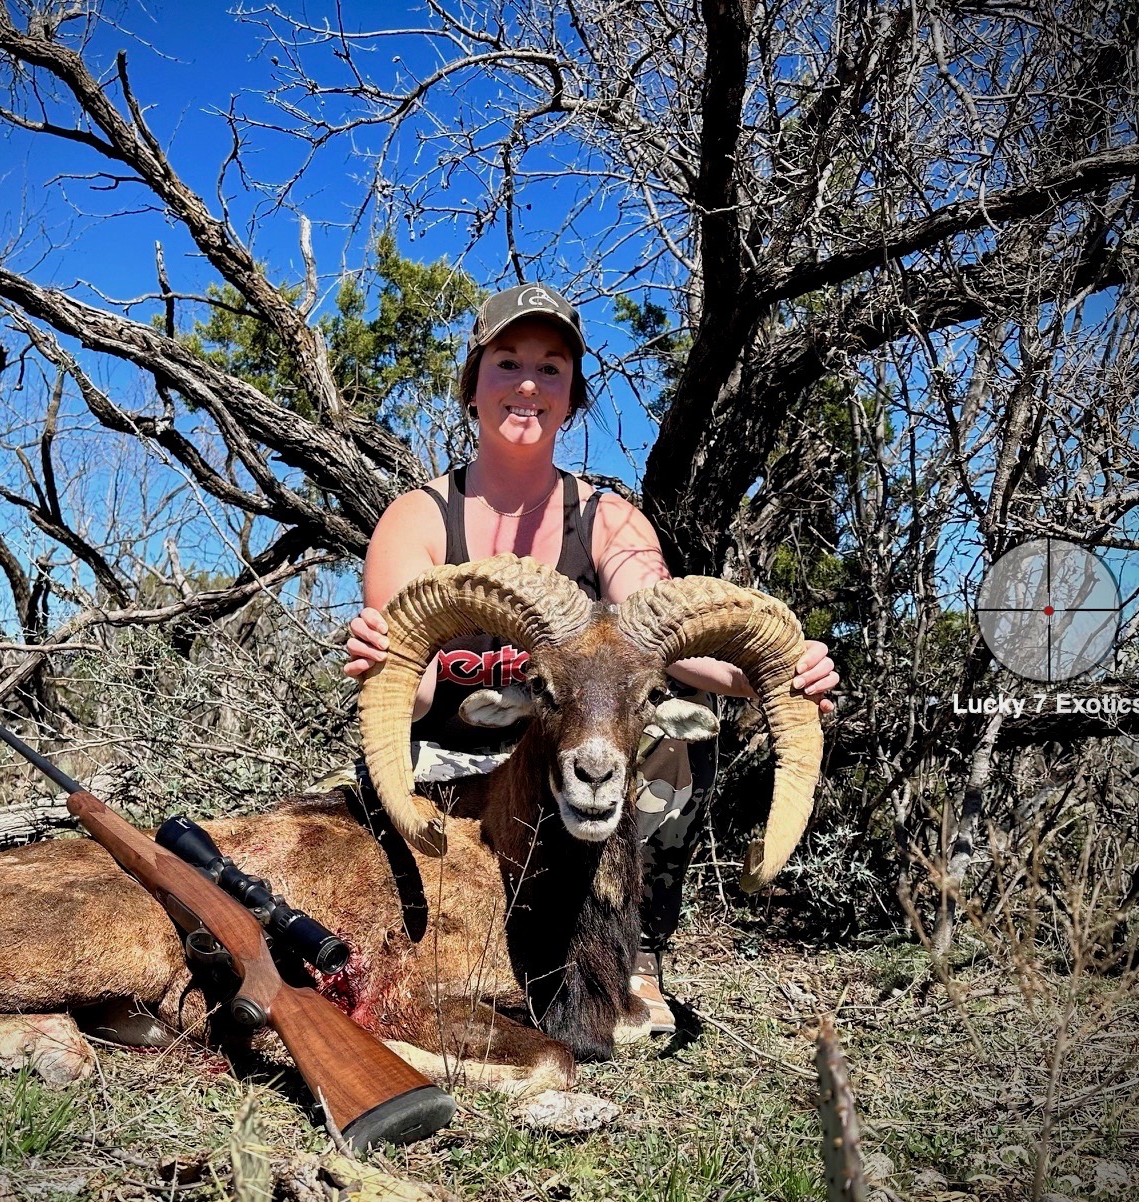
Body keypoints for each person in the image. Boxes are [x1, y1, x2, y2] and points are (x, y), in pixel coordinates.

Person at [343, 284, 838, 1035]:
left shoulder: (608, 520)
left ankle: (638, 958)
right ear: (472, 385)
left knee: (671, 735)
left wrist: (773, 675)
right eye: (507, 363)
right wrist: (385, 665)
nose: (529, 384)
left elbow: (665, 639)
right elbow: (408, 693)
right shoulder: (420, 518)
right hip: (450, 772)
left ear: (571, 396)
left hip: (570, 749)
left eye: (552, 368)